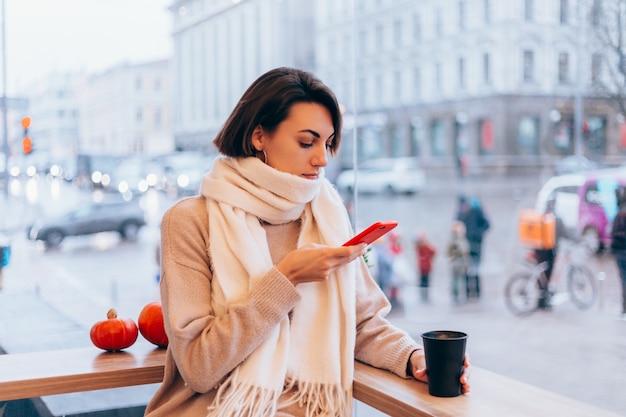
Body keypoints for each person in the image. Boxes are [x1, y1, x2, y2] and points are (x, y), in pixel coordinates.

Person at [144, 67, 469, 417]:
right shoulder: (190, 221)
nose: (323, 159)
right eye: (306, 142)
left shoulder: (326, 214)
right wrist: (286, 279)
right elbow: (199, 366)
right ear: (258, 136)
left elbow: (361, 325)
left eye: (328, 143)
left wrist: (413, 358)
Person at [456, 195, 490, 300]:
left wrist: (478, 234)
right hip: (464, 247)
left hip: (476, 245)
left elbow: (487, 224)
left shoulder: (477, 211)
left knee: (476, 269)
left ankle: (477, 292)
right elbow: (455, 227)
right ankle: (467, 293)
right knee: (466, 269)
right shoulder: (460, 214)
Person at [610, 186, 626, 319]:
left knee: (624, 280)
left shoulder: (621, 213)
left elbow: (616, 235)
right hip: (621, 251)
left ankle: (625, 308)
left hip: (621, 252)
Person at [447, 220, 470, 304]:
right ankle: (456, 296)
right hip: (457, 262)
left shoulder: (458, 240)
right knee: (456, 281)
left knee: (459, 280)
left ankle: (458, 295)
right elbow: (462, 251)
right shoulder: (456, 241)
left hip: (458, 262)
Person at [414, 231, 436, 303]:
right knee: (423, 282)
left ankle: (425, 295)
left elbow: (434, 251)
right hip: (423, 267)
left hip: (426, 267)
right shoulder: (420, 247)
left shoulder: (424, 246)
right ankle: (423, 295)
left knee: (425, 282)